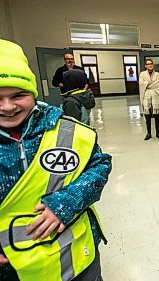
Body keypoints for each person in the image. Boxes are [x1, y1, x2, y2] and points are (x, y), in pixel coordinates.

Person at [0, 39, 111, 281]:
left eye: (18, 95)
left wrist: (66, 202)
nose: (7, 107)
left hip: (78, 258)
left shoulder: (64, 129)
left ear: (31, 92)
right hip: (14, 270)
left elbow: (99, 164)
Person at [139, 59, 159, 140]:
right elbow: (141, 84)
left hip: (156, 94)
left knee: (156, 115)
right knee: (147, 115)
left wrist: (147, 84)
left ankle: (158, 133)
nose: (150, 65)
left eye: (151, 63)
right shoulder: (142, 74)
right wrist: (151, 84)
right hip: (146, 95)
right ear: (145, 66)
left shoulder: (157, 74)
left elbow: (158, 84)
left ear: (153, 65)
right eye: (148, 64)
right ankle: (148, 133)